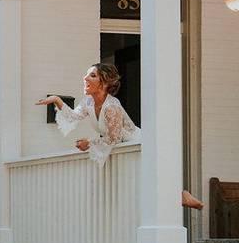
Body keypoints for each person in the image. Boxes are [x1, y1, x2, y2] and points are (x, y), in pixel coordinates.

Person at [37, 63, 203, 210]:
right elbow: (73, 117)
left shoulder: (111, 107)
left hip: (139, 144)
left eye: (92, 75)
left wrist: (89, 143)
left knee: (150, 184)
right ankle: (180, 195)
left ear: (105, 83)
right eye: (87, 74)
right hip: (123, 147)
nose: (85, 78)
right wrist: (57, 100)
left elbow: (114, 138)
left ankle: (181, 194)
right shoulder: (88, 101)